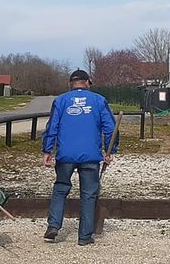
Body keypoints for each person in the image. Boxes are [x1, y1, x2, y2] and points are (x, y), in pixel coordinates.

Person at [41, 70, 117, 246]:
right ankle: (84, 236)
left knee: (60, 188)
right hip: (90, 156)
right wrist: (110, 150)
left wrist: (47, 151)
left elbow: (52, 127)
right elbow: (110, 128)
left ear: (70, 84)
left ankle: (53, 225)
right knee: (89, 194)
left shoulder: (60, 101)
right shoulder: (99, 101)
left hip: (65, 155)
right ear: (87, 83)